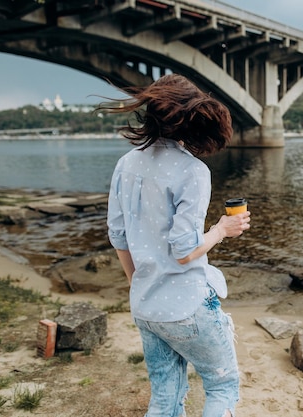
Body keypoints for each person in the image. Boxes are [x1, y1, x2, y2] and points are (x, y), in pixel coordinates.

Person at [100, 74, 250, 417]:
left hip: (145, 306)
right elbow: (185, 251)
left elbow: (118, 234)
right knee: (222, 385)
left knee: (165, 398)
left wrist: (138, 284)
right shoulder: (192, 171)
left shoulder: (126, 164)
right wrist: (222, 229)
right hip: (187, 307)